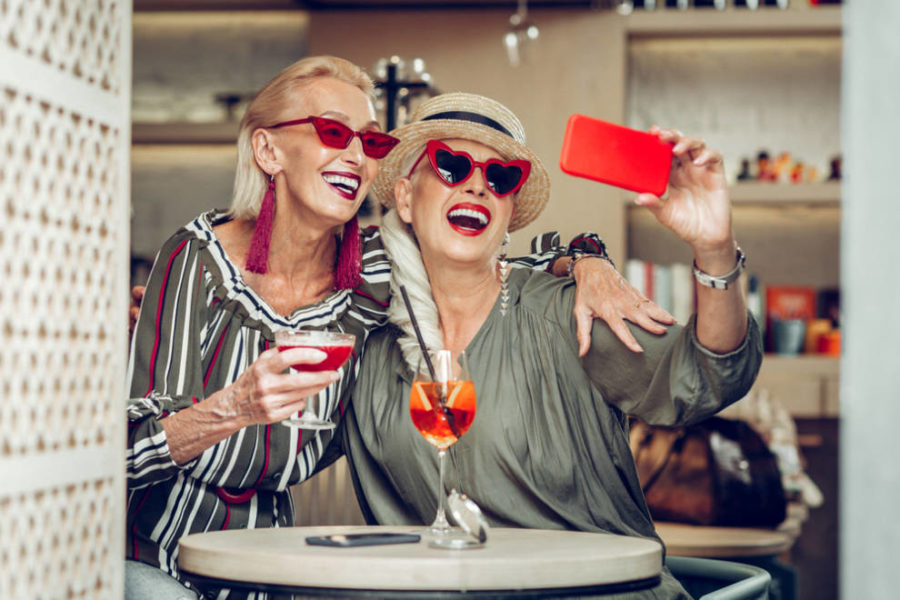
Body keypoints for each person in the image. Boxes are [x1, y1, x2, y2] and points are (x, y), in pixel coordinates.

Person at [125, 56, 669, 599]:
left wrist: (586, 261)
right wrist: (233, 408)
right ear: (268, 150)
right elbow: (121, 456)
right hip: (158, 554)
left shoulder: (375, 268)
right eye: (334, 132)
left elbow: (487, 260)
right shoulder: (196, 260)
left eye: (371, 143)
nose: (356, 156)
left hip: (270, 572)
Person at [339, 93, 764, 599]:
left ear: (510, 208)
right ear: (405, 198)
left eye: (500, 178)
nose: (478, 184)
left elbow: (708, 376)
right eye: (451, 166)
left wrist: (714, 249)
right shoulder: (368, 346)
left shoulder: (570, 315)